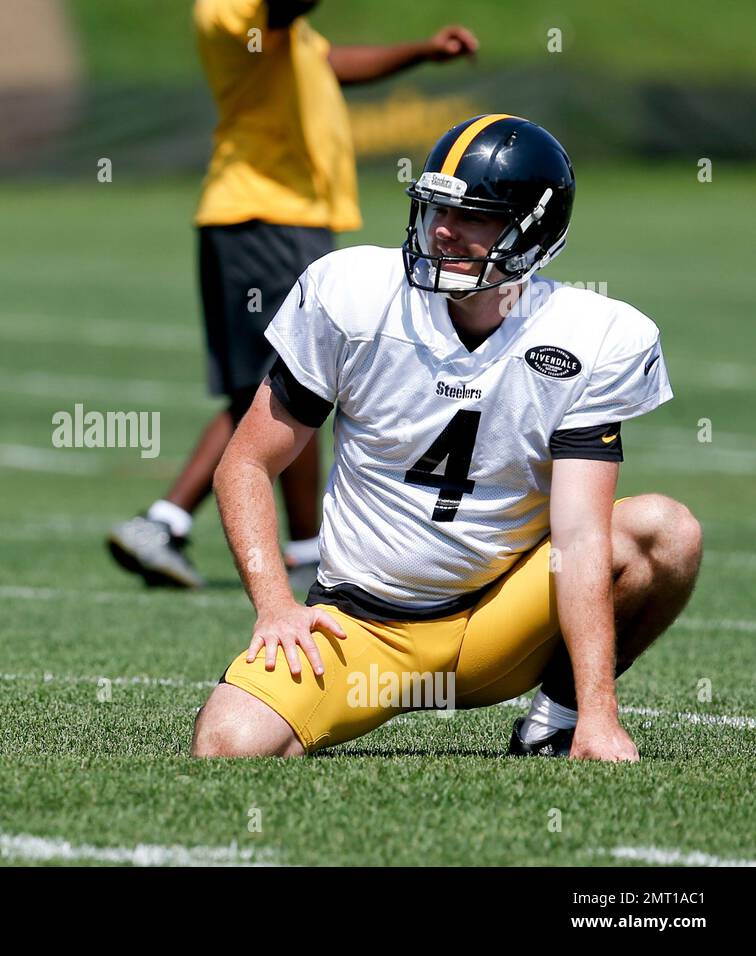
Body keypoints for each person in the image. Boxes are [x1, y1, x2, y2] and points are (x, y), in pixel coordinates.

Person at [190, 114, 702, 761]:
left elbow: (579, 534)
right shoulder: (353, 294)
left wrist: (598, 713)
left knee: (665, 531)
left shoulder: (591, 335)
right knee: (228, 746)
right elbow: (244, 464)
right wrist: (274, 606)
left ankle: (558, 720)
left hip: (502, 624)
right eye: (434, 208)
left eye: (474, 216)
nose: (442, 231)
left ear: (533, 229)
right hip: (356, 629)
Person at [108, 0, 478, 590]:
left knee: (266, 384)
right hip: (265, 219)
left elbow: (328, 60)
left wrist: (422, 52)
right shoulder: (228, 7)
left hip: (277, 220)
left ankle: (170, 523)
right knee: (296, 377)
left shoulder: (284, 29)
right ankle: (301, 548)